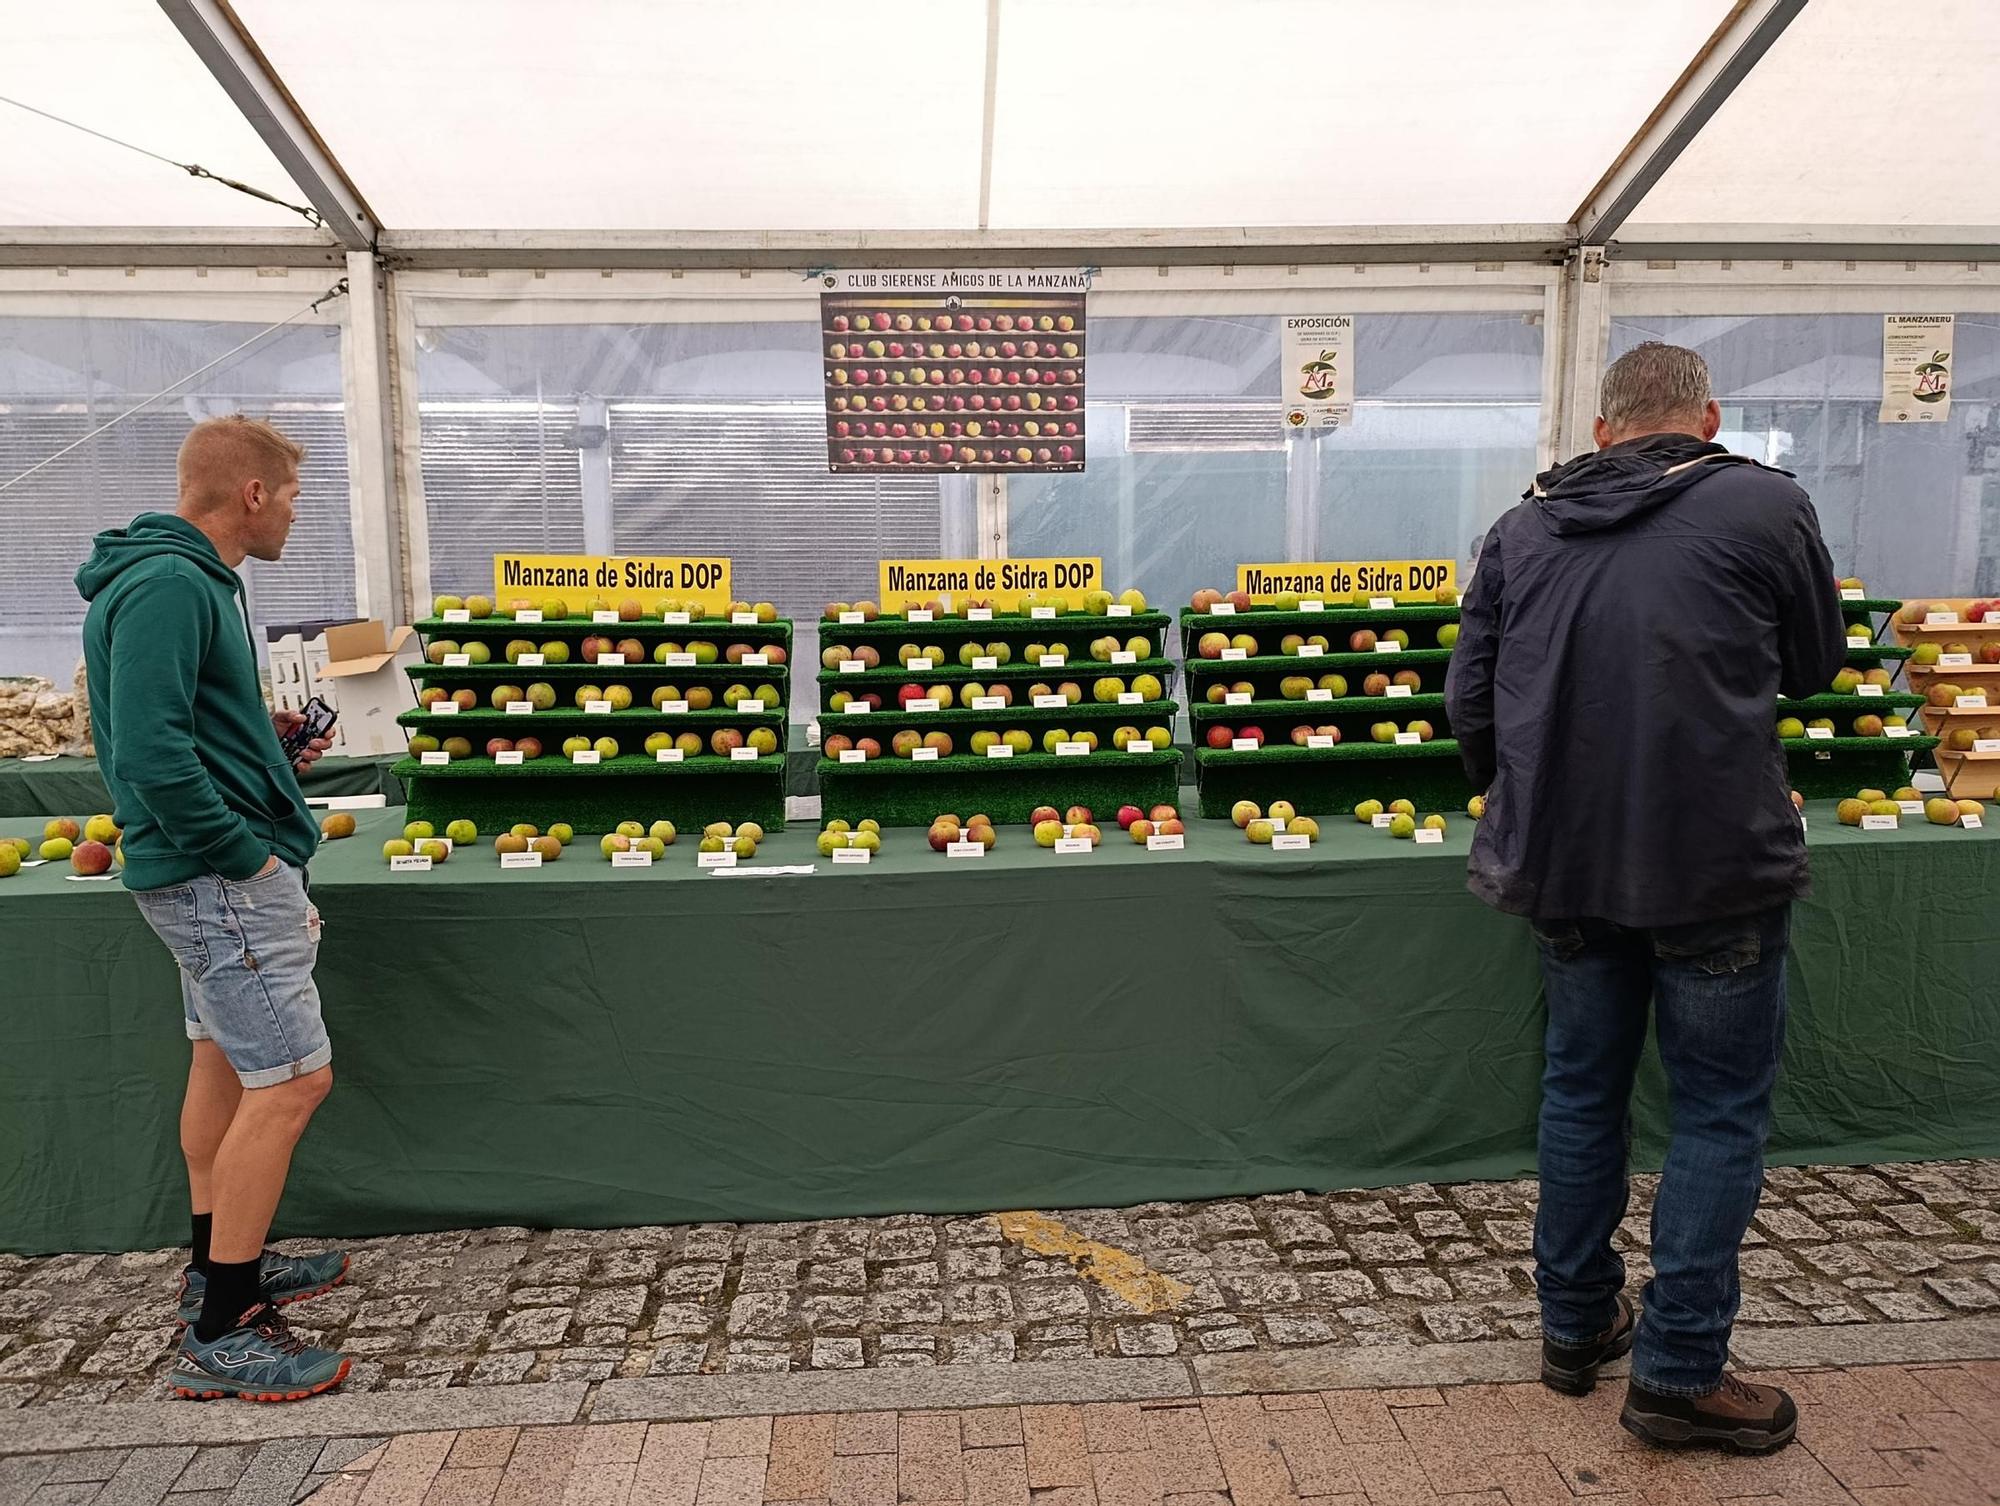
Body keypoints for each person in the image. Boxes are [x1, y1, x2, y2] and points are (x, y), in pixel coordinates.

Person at [1444, 343, 1844, 1455]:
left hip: (1565, 860)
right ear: (1706, 418)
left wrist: (1517, 799)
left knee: (1581, 1091)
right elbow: (1814, 663)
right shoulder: (1765, 507)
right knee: (1716, 1110)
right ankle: (1677, 1374)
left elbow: (1470, 698)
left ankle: (1575, 1326)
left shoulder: (1523, 526)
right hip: (1713, 857)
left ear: (1602, 427)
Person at [77, 415, 352, 1402]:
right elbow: (151, 754)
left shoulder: (178, 580)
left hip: (202, 876)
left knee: (226, 1064)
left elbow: (176, 724)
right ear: (251, 493)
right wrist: (248, 859)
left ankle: (217, 1261)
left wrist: (259, 739)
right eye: (291, 497)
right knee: (293, 1083)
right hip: (216, 880)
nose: (293, 515)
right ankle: (224, 1327)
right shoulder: (172, 585)